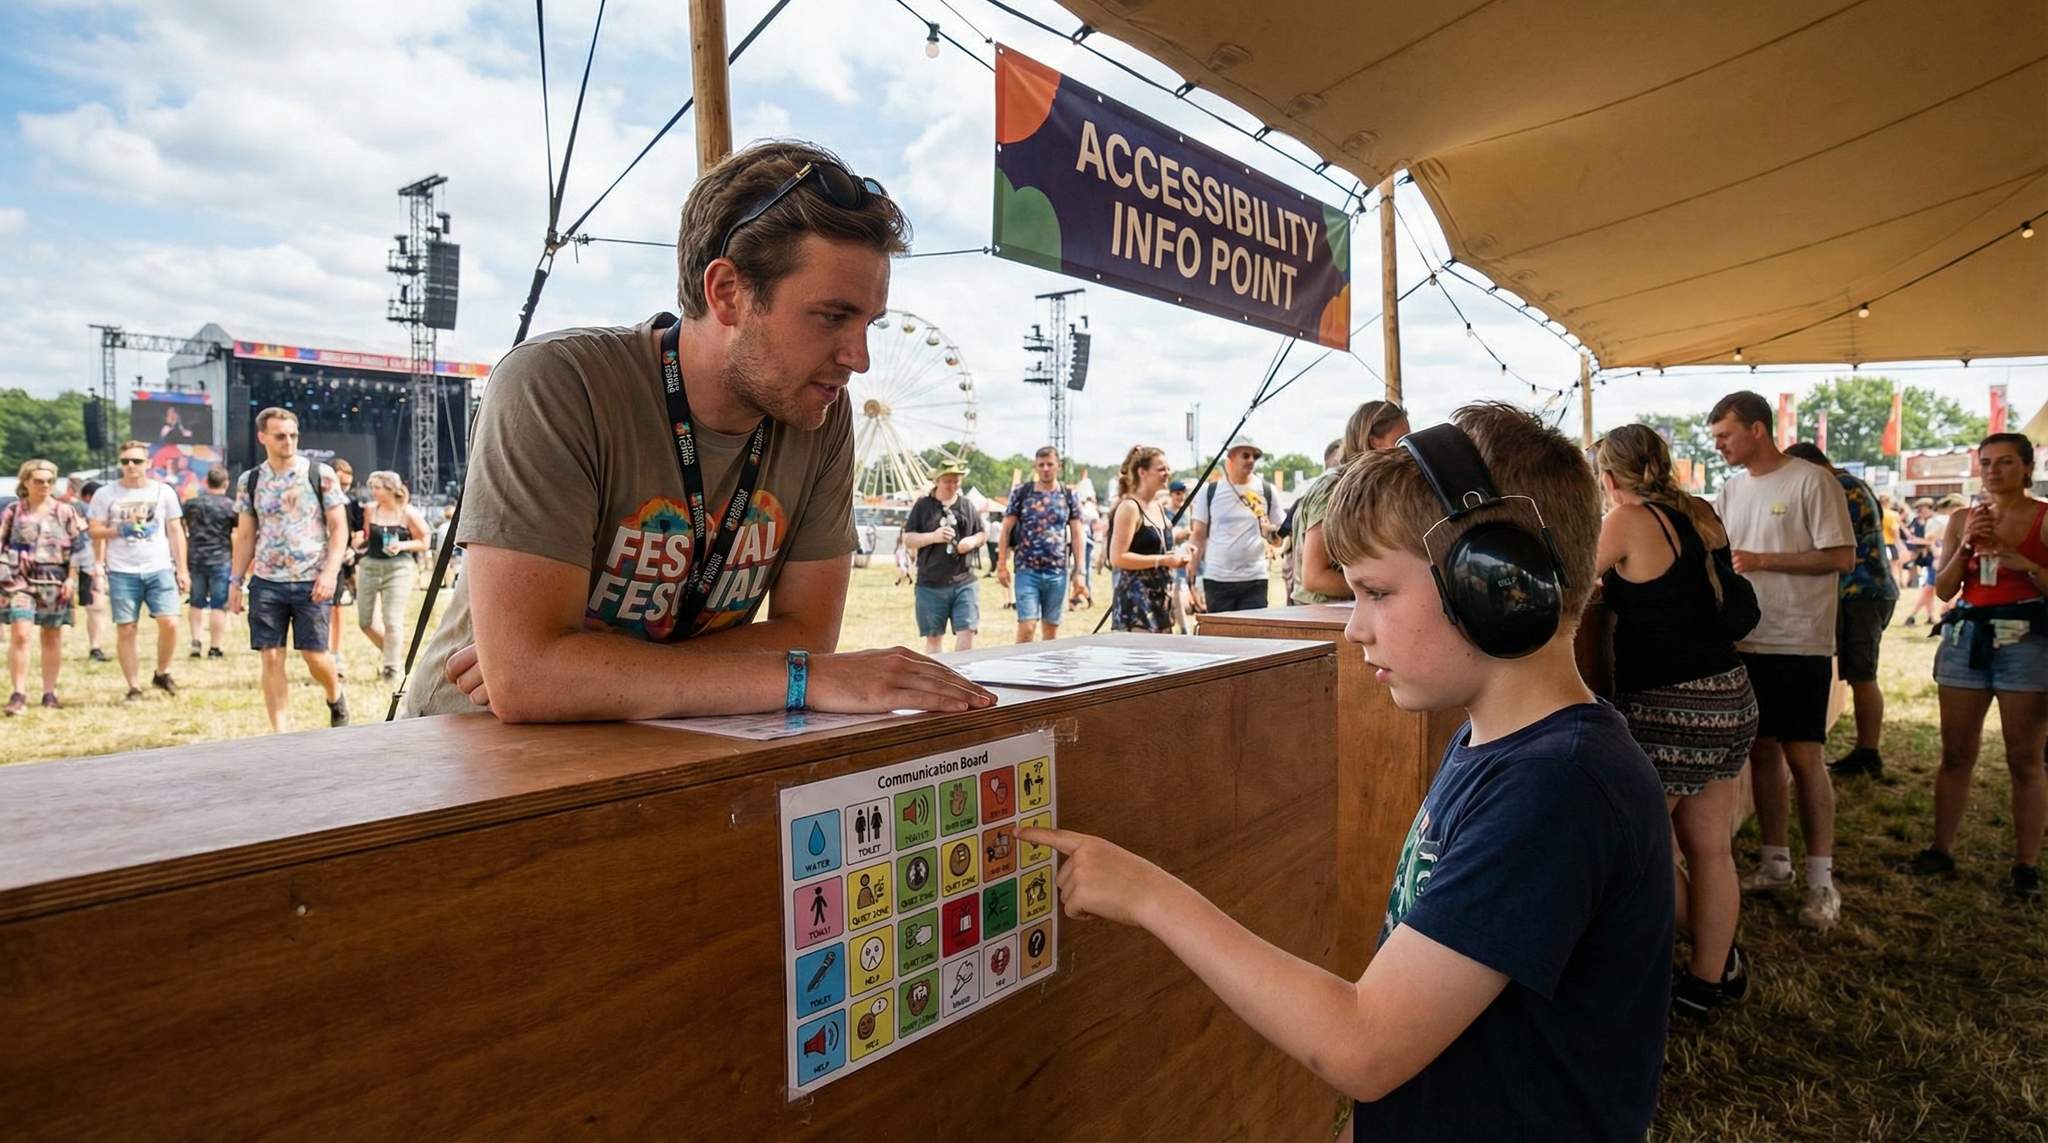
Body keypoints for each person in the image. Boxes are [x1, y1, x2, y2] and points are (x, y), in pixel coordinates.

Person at [1024, 403, 1671, 1139]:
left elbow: (1364, 1044)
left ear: (1496, 584)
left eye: (1377, 592)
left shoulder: (1558, 789)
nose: (1355, 624)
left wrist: (1148, 893)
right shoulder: (1500, 746)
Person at [399, 140, 993, 722]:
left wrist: (584, 672)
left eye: (870, 322)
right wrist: (799, 676)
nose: (859, 358)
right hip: (471, 753)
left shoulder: (821, 413)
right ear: (727, 292)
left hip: (671, 744)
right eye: (833, 316)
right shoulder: (557, 384)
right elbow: (530, 682)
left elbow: (811, 634)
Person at [1595, 426, 1758, 1016]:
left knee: (1643, 849)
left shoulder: (1627, 520)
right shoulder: (1700, 511)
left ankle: (1640, 983)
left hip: (1670, 708)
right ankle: (1710, 977)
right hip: (1729, 693)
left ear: (1608, 478)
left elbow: (1567, 584)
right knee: (1711, 848)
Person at [1709, 392, 1855, 930]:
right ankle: (1776, 864)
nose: (1719, 445)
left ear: (1757, 430)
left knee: (1804, 758)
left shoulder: (1812, 482)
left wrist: (1767, 560)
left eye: (1725, 435)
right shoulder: (1729, 490)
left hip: (1798, 641)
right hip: (1746, 642)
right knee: (1763, 755)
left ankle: (1821, 880)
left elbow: (1842, 556)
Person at [1903, 433, 2048, 901]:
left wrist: (2023, 563)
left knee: (2024, 758)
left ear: (2026, 468)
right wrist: (1965, 548)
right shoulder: (1965, 518)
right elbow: (1944, 589)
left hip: (2026, 639)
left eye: (2005, 462)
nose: (1993, 471)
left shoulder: (2043, 517)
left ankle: (2026, 864)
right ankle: (1941, 848)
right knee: (1956, 752)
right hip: (1967, 638)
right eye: (1986, 462)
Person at [228, 408, 352, 730]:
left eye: (293, 435)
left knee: (314, 655)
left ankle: (335, 694)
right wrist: (235, 580)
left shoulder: (320, 473)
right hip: (267, 581)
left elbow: (340, 528)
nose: (288, 441)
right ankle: (280, 734)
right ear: (263, 438)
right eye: (280, 435)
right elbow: (245, 534)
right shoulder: (251, 480)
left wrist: (329, 573)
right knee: (270, 656)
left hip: (312, 579)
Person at [1784, 442, 1901, 779]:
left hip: (1861, 594)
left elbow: (1821, 541)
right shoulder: (1847, 484)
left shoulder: (1840, 488)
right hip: (1860, 593)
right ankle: (1866, 750)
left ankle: (1869, 753)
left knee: (1863, 675)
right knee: (1857, 673)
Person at [89, 440, 189, 702]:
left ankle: (162, 671)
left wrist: (182, 569)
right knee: (127, 628)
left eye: (136, 461)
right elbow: (94, 530)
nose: (130, 466)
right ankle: (133, 686)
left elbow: (176, 530)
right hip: (122, 569)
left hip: (159, 566)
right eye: (125, 461)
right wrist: (119, 529)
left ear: (148, 464)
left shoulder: (163, 491)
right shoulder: (106, 494)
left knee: (170, 622)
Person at [1293, 400, 1411, 605]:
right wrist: (1383, 587)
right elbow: (1314, 578)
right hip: (1319, 613)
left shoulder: (1371, 487)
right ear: (1374, 441)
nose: (1406, 449)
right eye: (1400, 440)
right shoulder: (1334, 487)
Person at [2, 459, 87, 714]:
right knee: (21, 633)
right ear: (26, 482)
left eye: (50, 480)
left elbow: (77, 547)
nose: (45, 485)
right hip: (19, 581)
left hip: (55, 580)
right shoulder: (13, 511)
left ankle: (49, 692)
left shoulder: (66, 511)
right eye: (39, 480)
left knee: (51, 636)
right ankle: (18, 693)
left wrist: (72, 578)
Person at [997, 446, 1084, 644]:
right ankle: (1020, 670)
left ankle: (1047, 672)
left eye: (1050, 464)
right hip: (1027, 570)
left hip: (1057, 571)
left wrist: (1079, 571)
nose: (1045, 469)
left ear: (1058, 467)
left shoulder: (1068, 495)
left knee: (1051, 631)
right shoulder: (1022, 493)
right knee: (1027, 627)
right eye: (1041, 465)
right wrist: (1001, 564)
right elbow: (1006, 530)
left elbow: (1078, 535)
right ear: (1035, 467)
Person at [356, 471, 431, 682]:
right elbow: (366, 536)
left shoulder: (407, 512)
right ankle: (394, 655)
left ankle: (391, 668)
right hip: (370, 565)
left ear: (390, 489)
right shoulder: (371, 510)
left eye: (378, 487)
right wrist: (357, 542)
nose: (374, 492)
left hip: (399, 568)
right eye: (373, 487)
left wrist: (403, 545)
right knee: (365, 621)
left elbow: (424, 540)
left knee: (392, 620)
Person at [1190, 438, 1280, 614]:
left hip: (1255, 579)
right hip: (1218, 579)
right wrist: (1192, 577)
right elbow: (1198, 535)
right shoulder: (1210, 491)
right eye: (1245, 455)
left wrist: (1271, 534)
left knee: (1253, 638)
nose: (1251, 460)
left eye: (1255, 456)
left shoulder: (1267, 490)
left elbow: (1278, 540)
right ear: (1230, 457)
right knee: (1219, 638)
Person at [905, 465, 984, 654]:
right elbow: (908, 539)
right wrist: (933, 537)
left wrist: (971, 541)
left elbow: (981, 534)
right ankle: (938, 680)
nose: (952, 485)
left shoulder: (966, 505)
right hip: (930, 583)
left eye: (956, 481)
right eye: (948, 481)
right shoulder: (923, 506)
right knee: (933, 637)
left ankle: (963, 676)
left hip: (964, 580)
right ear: (937, 481)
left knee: (967, 631)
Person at [1107, 446, 1185, 633]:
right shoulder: (1130, 508)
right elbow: (1117, 558)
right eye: (1161, 469)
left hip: (1161, 597)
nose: (1167, 473)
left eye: (1167, 468)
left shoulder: (1158, 506)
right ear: (1142, 472)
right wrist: (1163, 561)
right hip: (1136, 602)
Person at [182, 466, 237, 660]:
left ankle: (196, 642)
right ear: (226, 483)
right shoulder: (230, 506)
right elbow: (238, 533)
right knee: (218, 605)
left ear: (206, 482)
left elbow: (182, 526)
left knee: (196, 602)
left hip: (195, 558)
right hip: (220, 559)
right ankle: (215, 647)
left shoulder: (191, 504)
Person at [328, 458, 364, 677]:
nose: (344, 489)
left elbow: (357, 531)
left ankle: (336, 651)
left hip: (340, 561)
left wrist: (352, 548)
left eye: (347, 485)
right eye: (340, 484)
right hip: (314, 560)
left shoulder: (350, 503)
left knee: (336, 607)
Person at [70, 479, 110, 662]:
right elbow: (98, 540)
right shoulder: (90, 510)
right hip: (91, 563)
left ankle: (95, 647)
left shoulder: (74, 507)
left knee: (93, 607)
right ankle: (95, 647)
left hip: (80, 562)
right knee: (96, 607)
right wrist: (99, 563)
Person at [1901, 498, 1941, 626]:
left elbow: (1931, 540)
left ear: (1930, 508)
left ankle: (1923, 616)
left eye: (1922, 509)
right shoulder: (1919, 521)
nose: (1920, 512)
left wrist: (1917, 540)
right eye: (1918, 509)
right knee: (1930, 588)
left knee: (1930, 589)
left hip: (1935, 557)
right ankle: (1916, 616)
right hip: (1930, 558)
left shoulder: (1935, 522)